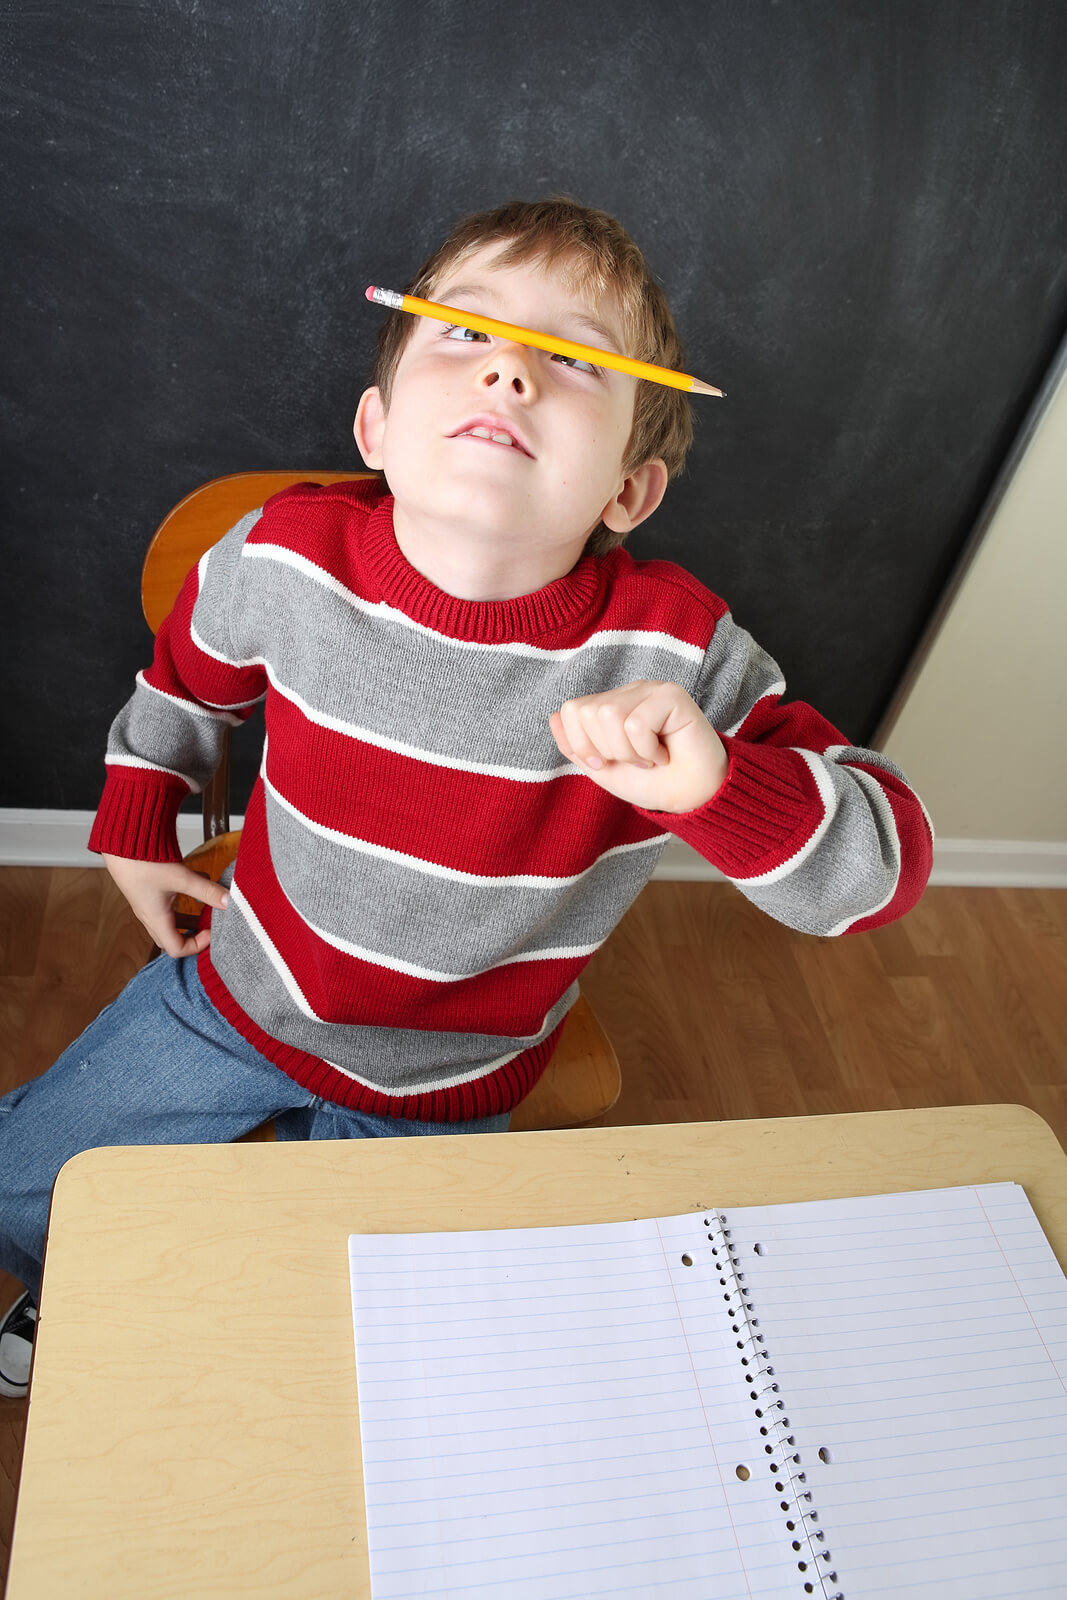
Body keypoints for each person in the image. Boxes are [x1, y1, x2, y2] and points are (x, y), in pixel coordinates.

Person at [0, 198, 933, 1399]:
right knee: (32, 1175)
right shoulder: (283, 556)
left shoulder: (676, 659)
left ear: (628, 492)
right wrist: (136, 818)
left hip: (443, 1082)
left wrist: (721, 784)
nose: (507, 366)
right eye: (462, 332)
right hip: (242, 991)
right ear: (376, 426)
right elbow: (187, 677)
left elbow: (884, 865)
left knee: (347, 1341)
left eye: (572, 358)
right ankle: (71, 1285)